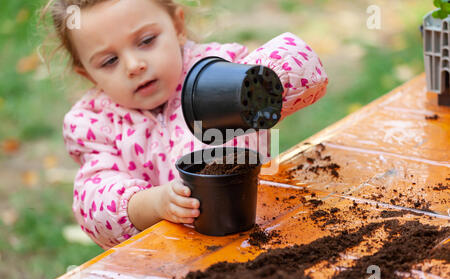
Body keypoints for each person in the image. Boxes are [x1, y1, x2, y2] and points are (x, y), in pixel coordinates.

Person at [41, 0, 328, 249]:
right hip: (167, 259)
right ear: (88, 74)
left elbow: (305, 67)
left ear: (177, 26)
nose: (134, 65)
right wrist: (154, 204)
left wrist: (258, 86)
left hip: (256, 232)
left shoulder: (218, 67)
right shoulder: (94, 124)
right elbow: (92, 204)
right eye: (109, 60)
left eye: (146, 41)